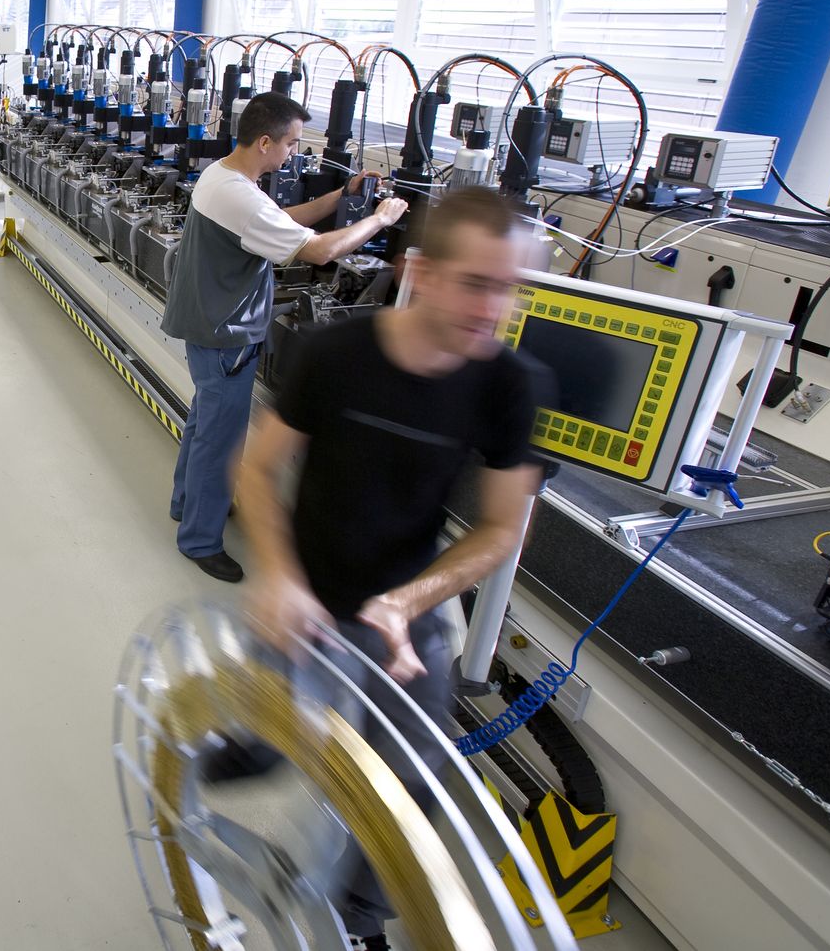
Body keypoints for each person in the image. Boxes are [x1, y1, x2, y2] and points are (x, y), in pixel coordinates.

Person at [234, 186, 547, 951]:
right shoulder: (336, 356)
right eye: (477, 284)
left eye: (511, 289)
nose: (494, 309)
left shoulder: (509, 385)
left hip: (406, 610)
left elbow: (502, 526)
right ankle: (258, 740)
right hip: (307, 593)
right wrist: (278, 577)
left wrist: (409, 602)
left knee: (411, 782)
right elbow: (257, 470)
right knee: (268, 739)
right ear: (420, 271)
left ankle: (356, 918)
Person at [160, 92, 408, 582]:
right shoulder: (241, 197)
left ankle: (187, 503)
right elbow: (319, 252)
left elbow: (282, 222)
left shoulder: (223, 177)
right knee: (220, 439)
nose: (294, 152)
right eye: (291, 143)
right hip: (227, 333)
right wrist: (380, 219)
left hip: (207, 325)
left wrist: (341, 196)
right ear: (265, 142)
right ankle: (200, 540)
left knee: (205, 424)